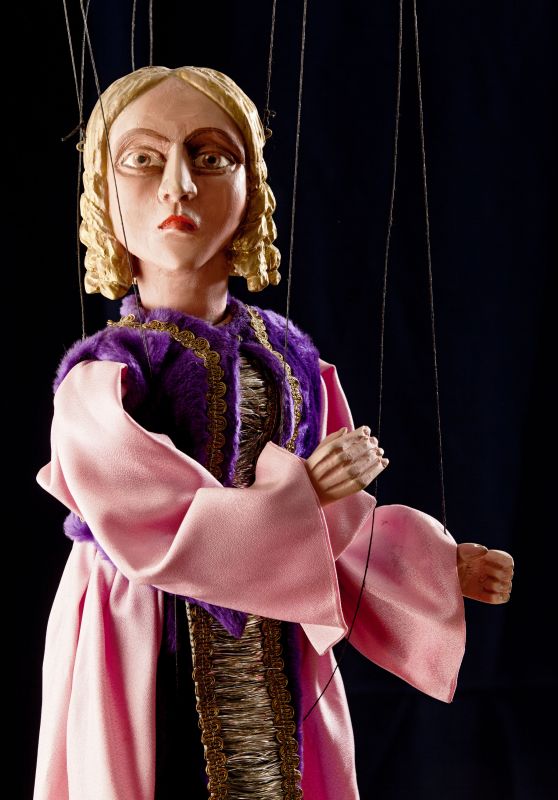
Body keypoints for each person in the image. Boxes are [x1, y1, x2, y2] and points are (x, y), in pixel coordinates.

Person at [33, 65, 514, 800]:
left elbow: (340, 531)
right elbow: (150, 521)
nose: (177, 187)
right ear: (103, 189)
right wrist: (302, 493)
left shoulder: (286, 355)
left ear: (250, 186)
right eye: (143, 159)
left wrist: (434, 566)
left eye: (209, 156)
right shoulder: (104, 377)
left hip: (272, 631)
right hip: (142, 634)